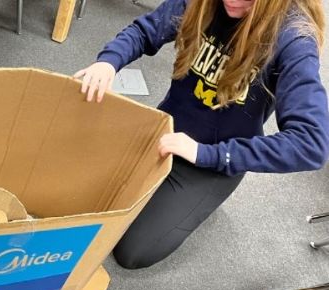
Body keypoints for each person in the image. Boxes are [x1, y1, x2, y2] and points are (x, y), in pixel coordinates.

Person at [74, 0, 329, 269]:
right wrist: (108, 62)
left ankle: (203, 199)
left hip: (212, 163)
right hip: (166, 134)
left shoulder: (293, 37)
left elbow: (311, 143)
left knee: (133, 251)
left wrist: (206, 154)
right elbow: (145, 31)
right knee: (85, 192)